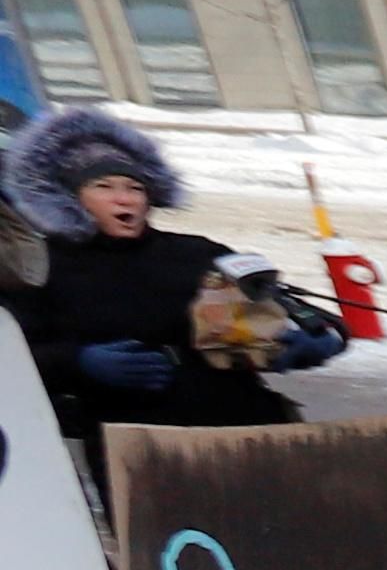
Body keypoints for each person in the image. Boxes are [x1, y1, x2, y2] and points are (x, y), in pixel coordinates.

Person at [3, 101, 313, 434]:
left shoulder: (198, 253)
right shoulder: (36, 267)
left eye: (135, 188)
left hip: (238, 431)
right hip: (123, 445)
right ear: (66, 198)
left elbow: (270, 313)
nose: (125, 199)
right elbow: (10, 358)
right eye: (103, 187)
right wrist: (76, 362)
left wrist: (301, 340)